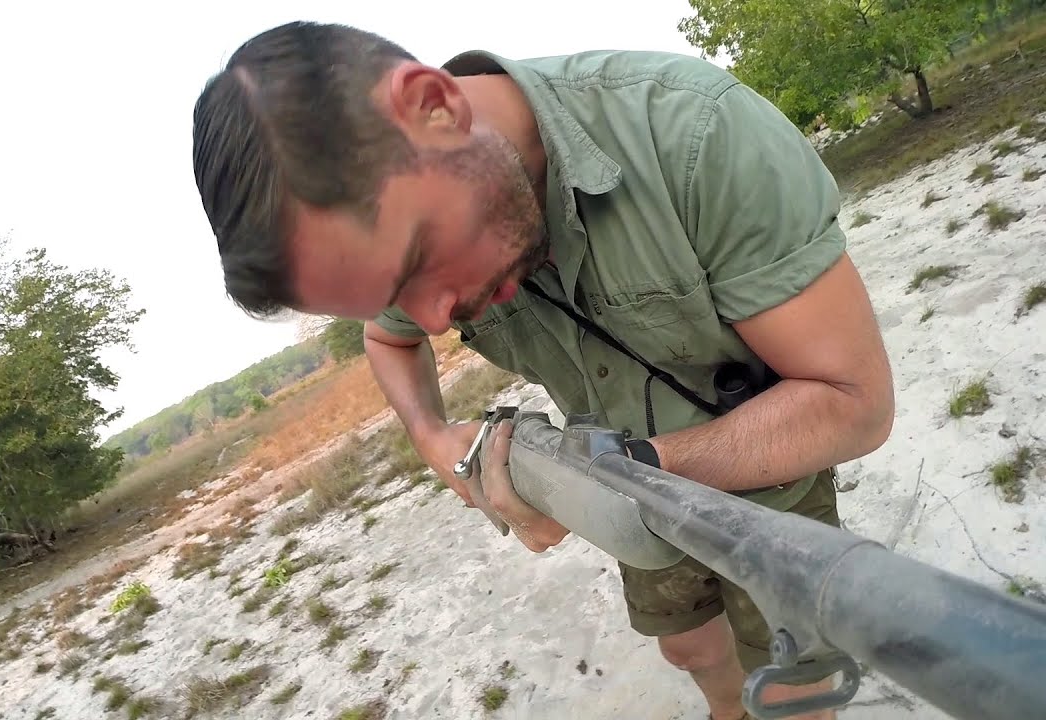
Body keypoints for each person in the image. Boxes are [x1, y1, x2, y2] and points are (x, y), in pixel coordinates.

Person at [190, 20, 895, 720]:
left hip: (773, 477)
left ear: (434, 105)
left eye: (415, 261)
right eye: (390, 293)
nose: (435, 318)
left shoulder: (695, 134)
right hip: (626, 497)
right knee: (688, 650)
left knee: (792, 679)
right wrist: (433, 439)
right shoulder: (419, 269)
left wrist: (620, 472)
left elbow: (852, 401)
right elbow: (389, 340)